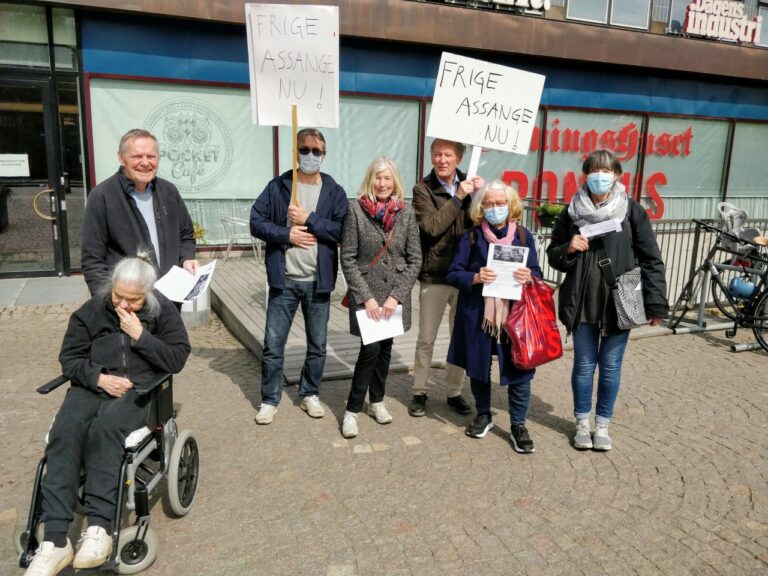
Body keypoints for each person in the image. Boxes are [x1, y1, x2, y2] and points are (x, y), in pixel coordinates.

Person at [24, 254, 190, 576]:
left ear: (149, 294)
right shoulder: (91, 312)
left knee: (105, 430)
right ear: (110, 288)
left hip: (138, 390)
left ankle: (99, 528)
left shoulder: (163, 312)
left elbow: (177, 358)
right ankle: (55, 540)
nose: (124, 305)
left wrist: (141, 336)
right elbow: (70, 358)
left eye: (134, 299)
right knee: (65, 431)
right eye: (118, 297)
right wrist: (97, 377)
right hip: (90, 388)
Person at [547, 149, 667, 451]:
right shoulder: (571, 211)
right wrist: (568, 248)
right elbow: (554, 255)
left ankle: (603, 425)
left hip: (619, 299)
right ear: (585, 175)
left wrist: (656, 305)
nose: (600, 176)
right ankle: (582, 424)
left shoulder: (632, 211)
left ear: (617, 175)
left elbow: (651, 259)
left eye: (606, 171)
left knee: (611, 366)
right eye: (594, 170)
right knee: (584, 364)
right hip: (583, 298)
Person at [250, 128, 348, 425]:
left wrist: (309, 220)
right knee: (273, 343)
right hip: (286, 280)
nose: (310, 155)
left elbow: (343, 231)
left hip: (319, 282)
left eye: (316, 151)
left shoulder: (334, 191)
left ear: (324, 154)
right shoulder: (279, 186)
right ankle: (269, 399)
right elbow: (256, 222)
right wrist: (287, 234)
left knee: (317, 344)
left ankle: (309, 393)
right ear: (295, 152)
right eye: (304, 150)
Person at [446, 180, 542, 454]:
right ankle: (484, 413)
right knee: (478, 365)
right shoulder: (471, 237)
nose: (495, 208)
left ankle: (518, 425)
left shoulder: (523, 236)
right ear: (481, 207)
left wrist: (529, 276)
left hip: (514, 315)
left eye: (500, 203)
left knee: (520, 369)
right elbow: (454, 273)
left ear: (510, 205)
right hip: (478, 313)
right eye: (489, 203)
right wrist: (475, 277)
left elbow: (536, 272)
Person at [339, 157, 421, 438]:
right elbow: (348, 258)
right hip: (368, 298)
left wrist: (396, 296)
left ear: (395, 181)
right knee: (370, 350)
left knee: (385, 350)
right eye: (378, 177)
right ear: (370, 180)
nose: (382, 183)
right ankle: (351, 410)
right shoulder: (355, 211)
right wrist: (366, 298)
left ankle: (377, 401)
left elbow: (415, 259)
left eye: (387, 178)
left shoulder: (406, 213)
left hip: (393, 300)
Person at [409, 138, 484, 418]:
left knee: (459, 337)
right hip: (436, 274)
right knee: (426, 338)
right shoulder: (423, 189)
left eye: (448, 155)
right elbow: (430, 227)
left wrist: (481, 195)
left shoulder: (472, 185)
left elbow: (484, 223)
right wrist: (458, 198)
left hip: (465, 276)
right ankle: (419, 390)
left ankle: (453, 391)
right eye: (437, 154)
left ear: (459, 158)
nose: (442, 160)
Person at [81, 129, 199, 296]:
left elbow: (186, 234)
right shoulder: (102, 196)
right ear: (121, 158)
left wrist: (186, 258)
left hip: (170, 298)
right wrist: (109, 303)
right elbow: (92, 260)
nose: (145, 163)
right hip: (129, 301)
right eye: (137, 156)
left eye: (151, 156)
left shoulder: (169, 192)